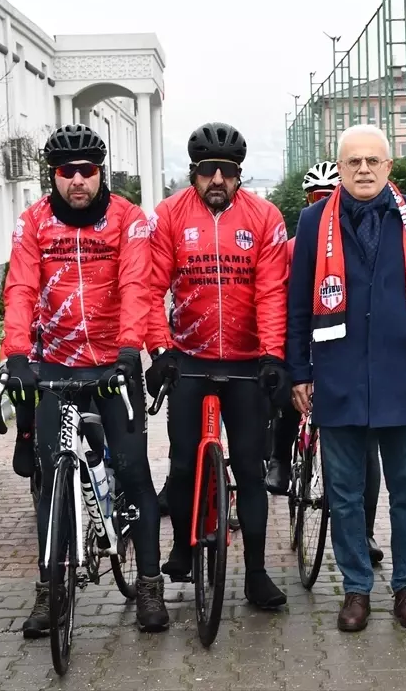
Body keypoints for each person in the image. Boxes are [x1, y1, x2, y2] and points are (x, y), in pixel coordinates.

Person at [287, 124, 406, 633]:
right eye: (353, 161)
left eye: (373, 161)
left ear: (388, 166)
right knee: (344, 495)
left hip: (401, 377)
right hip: (337, 379)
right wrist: (299, 371)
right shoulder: (314, 221)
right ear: (340, 168)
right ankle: (356, 589)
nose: (363, 169)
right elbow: (298, 304)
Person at [0, 123, 168, 635]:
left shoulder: (128, 219)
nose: (77, 180)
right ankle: (49, 590)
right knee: (51, 478)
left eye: (87, 171)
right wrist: (17, 354)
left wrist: (130, 350)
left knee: (134, 471)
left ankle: (149, 585)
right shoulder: (33, 222)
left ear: (100, 172)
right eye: (66, 171)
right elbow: (20, 288)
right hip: (56, 365)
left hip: (114, 364)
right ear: (53, 175)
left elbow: (136, 285)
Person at [144, 122, 291, 610]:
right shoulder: (169, 215)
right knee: (183, 463)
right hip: (189, 358)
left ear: (239, 175)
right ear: (194, 172)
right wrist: (159, 350)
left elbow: (272, 292)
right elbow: (151, 288)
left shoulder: (265, 217)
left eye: (227, 171)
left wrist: (272, 354)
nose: (217, 180)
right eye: (208, 170)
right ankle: (183, 546)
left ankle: (256, 573)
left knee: (249, 469)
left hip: (248, 364)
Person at [266, 160, 386, 565]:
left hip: (346, 352)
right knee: (288, 393)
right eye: (315, 198)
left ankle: (364, 531)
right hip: (306, 339)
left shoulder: (363, 242)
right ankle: (281, 461)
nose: (322, 203)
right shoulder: (293, 246)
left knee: (366, 449)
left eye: (328, 195)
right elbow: (283, 302)